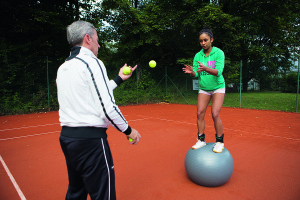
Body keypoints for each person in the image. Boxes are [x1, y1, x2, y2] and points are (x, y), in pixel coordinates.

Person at [56, 20, 141, 200]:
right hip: (91, 143)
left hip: (68, 139)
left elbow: (93, 92)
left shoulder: (64, 67)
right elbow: (106, 106)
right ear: (88, 38)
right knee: (104, 195)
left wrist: (119, 79)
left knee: (76, 192)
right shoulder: (91, 62)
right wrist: (128, 130)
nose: (99, 44)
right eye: (97, 39)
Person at [183, 25, 225, 153]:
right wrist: (192, 72)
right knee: (199, 113)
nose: (203, 43)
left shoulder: (218, 53)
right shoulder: (198, 56)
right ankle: (201, 140)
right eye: (201, 41)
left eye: (205, 40)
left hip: (218, 87)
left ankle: (219, 141)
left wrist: (206, 68)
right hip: (204, 88)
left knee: (215, 113)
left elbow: (218, 72)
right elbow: (196, 73)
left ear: (211, 39)